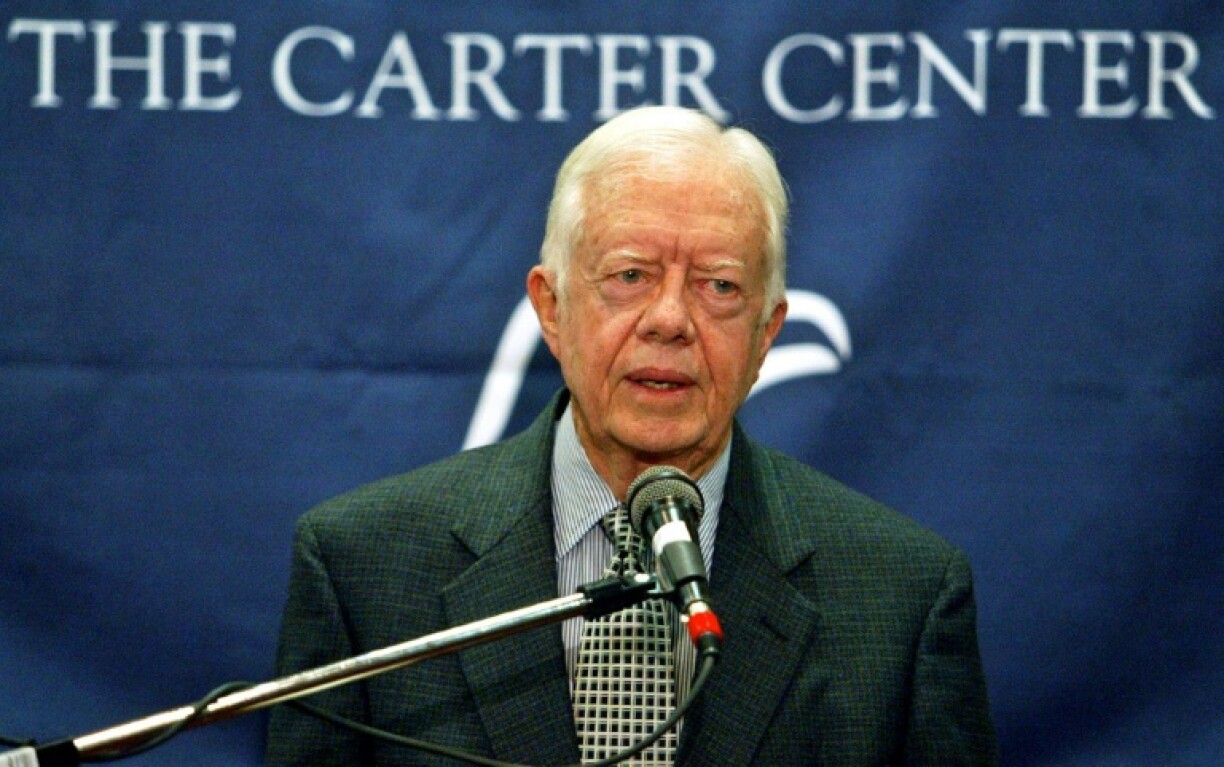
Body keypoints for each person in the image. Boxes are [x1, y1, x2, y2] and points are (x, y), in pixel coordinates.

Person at [266, 106, 999, 766]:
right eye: (630, 275)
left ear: (766, 332)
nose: (670, 318)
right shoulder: (365, 568)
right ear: (550, 308)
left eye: (719, 285)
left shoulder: (901, 598)